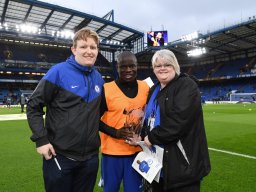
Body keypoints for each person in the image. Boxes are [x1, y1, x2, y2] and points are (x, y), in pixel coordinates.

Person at [26, 28, 104, 192]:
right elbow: (33, 105)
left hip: (90, 159)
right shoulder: (58, 72)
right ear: (74, 49)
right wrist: (41, 139)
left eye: (93, 47)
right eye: (83, 47)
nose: (89, 51)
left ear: (97, 51)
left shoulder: (99, 78)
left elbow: (100, 115)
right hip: (59, 156)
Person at [143, 49, 211, 192]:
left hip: (182, 167)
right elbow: (150, 118)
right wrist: (141, 134)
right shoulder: (154, 89)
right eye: (158, 65)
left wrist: (151, 137)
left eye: (167, 64)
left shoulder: (186, 85)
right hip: (157, 166)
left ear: (175, 66)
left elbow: (177, 123)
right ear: (153, 69)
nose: (162, 68)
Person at [99, 51, 149, 192]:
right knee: (110, 190)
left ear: (137, 66)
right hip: (111, 155)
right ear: (117, 67)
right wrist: (115, 132)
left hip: (137, 152)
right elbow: (94, 120)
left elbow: (150, 116)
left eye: (132, 66)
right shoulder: (107, 89)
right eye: (123, 66)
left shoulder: (145, 88)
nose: (128, 70)